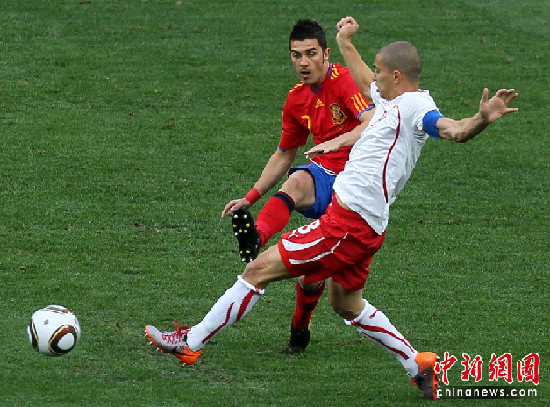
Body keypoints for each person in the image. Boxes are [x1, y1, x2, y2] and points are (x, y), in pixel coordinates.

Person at [145, 16, 518, 400]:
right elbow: (362, 77)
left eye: (379, 71)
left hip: (347, 223)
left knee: (256, 270)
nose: (371, 77)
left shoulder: (416, 109)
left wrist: (481, 120)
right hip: (366, 225)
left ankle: (190, 342)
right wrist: (344, 41)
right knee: (346, 303)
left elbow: (451, 129)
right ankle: (418, 364)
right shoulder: (390, 98)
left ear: (397, 76)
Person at [221, 19, 373, 352]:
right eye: (295, 55)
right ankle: (256, 237)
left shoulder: (344, 81)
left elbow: (372, 123)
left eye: (310, 54)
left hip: (356, 184)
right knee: (298, 180)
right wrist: (250, 197)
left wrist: (337, 142)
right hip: (322, 175)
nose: (303, 63)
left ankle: (299, 329)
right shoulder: (296, 100)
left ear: (326, 53)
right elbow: (284, 153)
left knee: (313, 276)